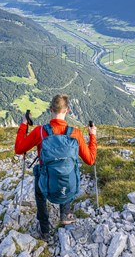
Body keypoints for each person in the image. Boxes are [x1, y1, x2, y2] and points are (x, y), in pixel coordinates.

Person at [15, 94, 97, 240]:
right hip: (67, 182)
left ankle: (44, 230)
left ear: (50, 109)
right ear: (68, 111)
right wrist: (93, 136)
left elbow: (19, 148)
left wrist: (23, 125)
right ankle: (65, 215)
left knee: (40, 193)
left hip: (45, 181)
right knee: (66, 172)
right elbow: (90, 160)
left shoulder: (40, 131)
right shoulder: (75, 134)